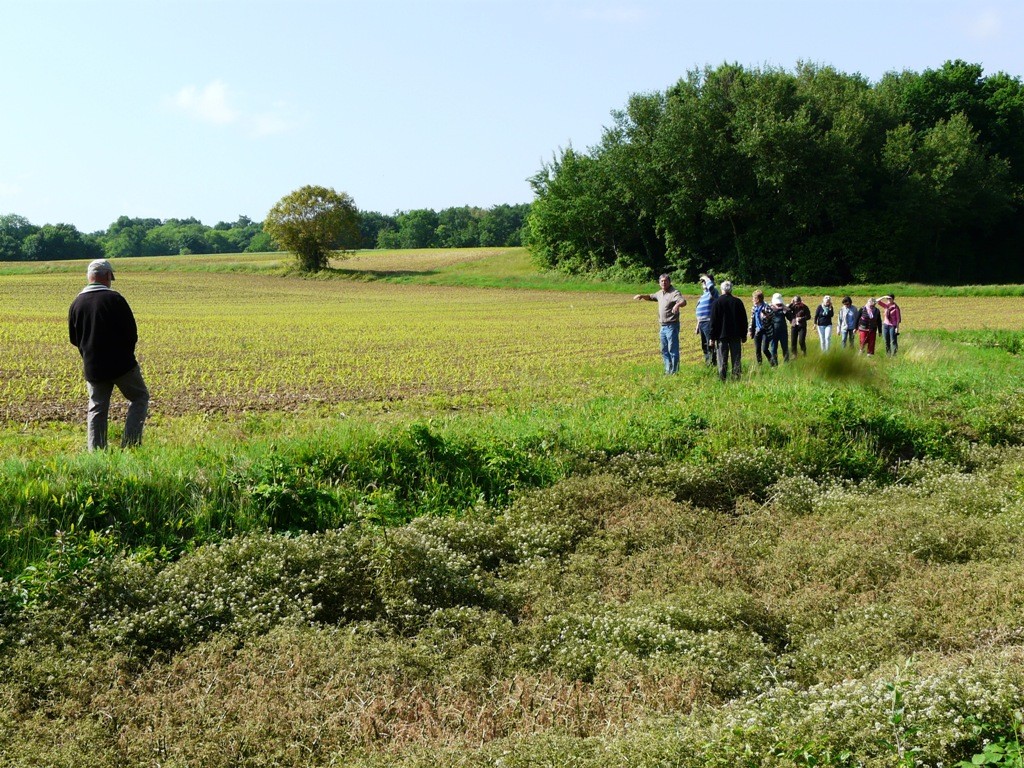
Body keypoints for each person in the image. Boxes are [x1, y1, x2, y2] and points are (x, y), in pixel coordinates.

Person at [68, 259, 150, 450]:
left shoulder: (76, 303)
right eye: (111, 277)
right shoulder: (115, 299)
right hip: (122, 365)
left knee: (97, 407)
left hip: (93, 366)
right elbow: (131, 333)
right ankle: (130, 445)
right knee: (139, 398)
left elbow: (74, 339)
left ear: (90, 277)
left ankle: (96, 452)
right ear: (106, 276)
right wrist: (126, 356)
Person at [634, 273, 687, 374]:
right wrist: (641, 296)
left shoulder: (674, 293)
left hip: (672, 325)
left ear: (669, 282)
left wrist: (677, 305)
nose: (663, 283)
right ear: (659, 283)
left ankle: (674, 372)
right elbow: (650, 297)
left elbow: (683, 302)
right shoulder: (659, 293)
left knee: (672, 350)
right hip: (662, 326)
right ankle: (668, 371)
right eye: (662, 281)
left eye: (665, 281)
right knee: (664, 350)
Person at [709, 280, 747, 381]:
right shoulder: (738, 302)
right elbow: (743, 320)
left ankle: (722, 379)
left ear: (721, 289)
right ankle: (736, 378)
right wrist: (744, 335)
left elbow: (713, 321)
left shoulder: (716, 302)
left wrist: (712, 337)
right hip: (736, 335)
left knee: (722, 359)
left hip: (721, 336)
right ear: (731, 289)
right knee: (736, 359)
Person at [694, 273, 719, 366]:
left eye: (705, 281)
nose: (703, 283)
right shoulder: (703, 295)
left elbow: (711, 287)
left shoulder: (713, 292)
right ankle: (708, 364)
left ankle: (713, 364)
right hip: (702, 323)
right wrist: (697, 326)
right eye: (703, 282)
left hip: (709, 322)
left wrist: (705, 278)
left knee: (710, 345)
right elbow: (699, 312)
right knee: (704, 345)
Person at [761, 293, 793, 366]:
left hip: (783, 331)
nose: (778, 305)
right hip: (773, 332)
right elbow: (765, 320)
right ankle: (775, 365)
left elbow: (790, 318)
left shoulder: (784, 308)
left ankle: (786, 364)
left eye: (779, 303)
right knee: (773, 348)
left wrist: (787, 310)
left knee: (785, 348)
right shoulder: (769, 308)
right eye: (777, 303)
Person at [749, 289, 772, 365]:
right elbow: (752, 319)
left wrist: (766, 315)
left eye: (753, 298)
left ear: (758, 299)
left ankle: (773, 364)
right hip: (757, 330)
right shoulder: (754, 308)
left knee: (765, 349)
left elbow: (771, 318)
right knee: (757, 350)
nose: (752, 299)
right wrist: (750, 330)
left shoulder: (766, 307)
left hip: (765, 331)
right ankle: (760, 365)